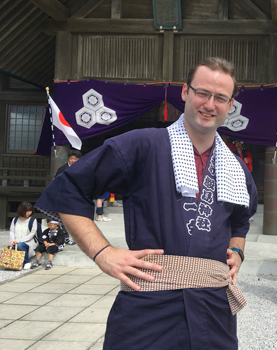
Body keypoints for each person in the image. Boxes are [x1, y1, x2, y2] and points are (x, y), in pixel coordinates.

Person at [35, 57, 258, 350]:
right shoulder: (143, 145)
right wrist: (103, 252)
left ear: (230, 106)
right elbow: (69, 187)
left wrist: (237, 251)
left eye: (220, 98)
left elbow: (241, 219)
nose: (209, 104)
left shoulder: (236, 167)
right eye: (202, 92)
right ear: (185, 92)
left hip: (213, 309)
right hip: (148, 305)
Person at [7, 202, 38, 270]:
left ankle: (27, 262)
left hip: (28, 242)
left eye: (30, 211)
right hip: (16, 241)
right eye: (27, 211)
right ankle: (14, 263)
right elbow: (12, 231)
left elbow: (32, 234)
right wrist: (12, 241)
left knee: (20, 245)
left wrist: (18, 241)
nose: (29, 213)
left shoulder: (33, 220)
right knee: (10, 246)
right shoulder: (15, 219)